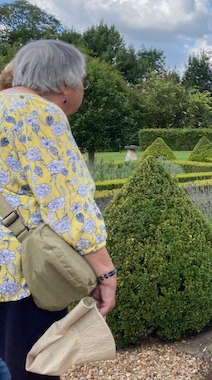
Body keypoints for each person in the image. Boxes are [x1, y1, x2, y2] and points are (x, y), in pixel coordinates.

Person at [0, 40, 117, 380]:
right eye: (83, 82)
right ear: (66, 84)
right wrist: (105, 272)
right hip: (21, 273)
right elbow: (67, 204)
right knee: (32, 367)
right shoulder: (39, 113)